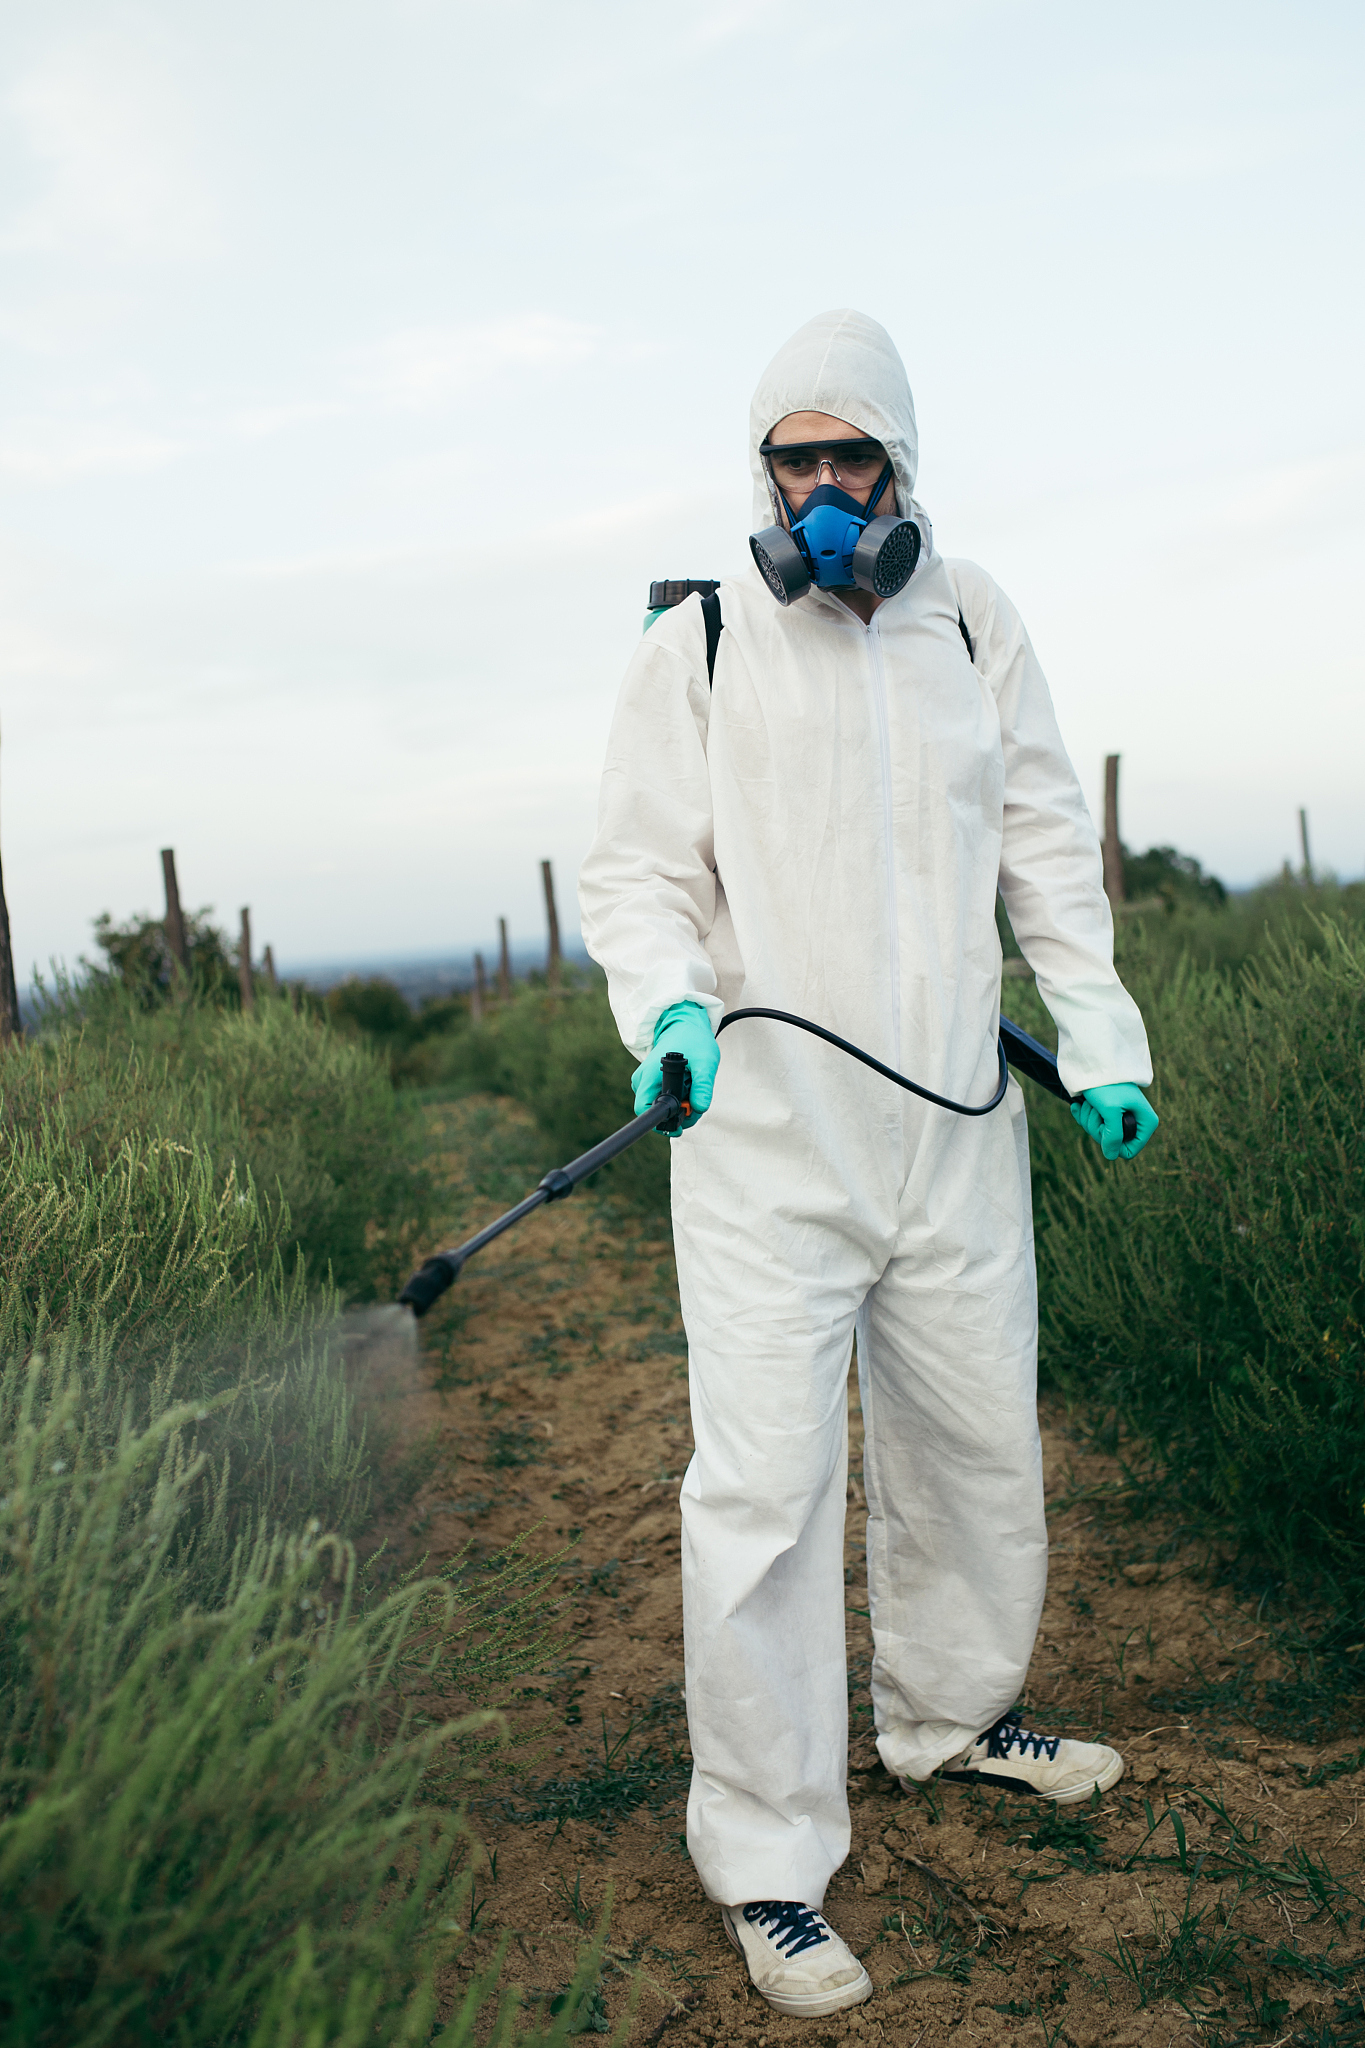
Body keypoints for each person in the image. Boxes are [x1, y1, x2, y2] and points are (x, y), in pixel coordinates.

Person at [578, 309, 1157, 2021]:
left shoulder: (970, 617)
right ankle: (767, 1862)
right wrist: (667, 1011)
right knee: (761, 1501)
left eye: (853, 457)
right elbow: (636, 874)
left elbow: (1043, 838)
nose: (825, 490)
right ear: (760, 476)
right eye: (796, 462)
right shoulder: (698, 644)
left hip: (956, 1134)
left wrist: (1101, 1041)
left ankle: (952, 1717)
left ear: (902, 464)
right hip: (767, 1149)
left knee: (975, 1444)